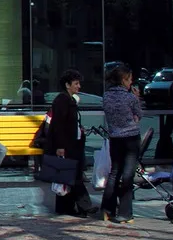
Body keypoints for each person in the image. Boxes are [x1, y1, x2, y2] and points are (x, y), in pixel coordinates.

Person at [100, 65, 143, 223]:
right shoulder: (130, 97)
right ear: (124, 80)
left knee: (114, 172)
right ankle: (125, 213)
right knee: (128, 175)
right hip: (131, 138)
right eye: (130, 79)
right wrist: (137, 98)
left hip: (115, 138)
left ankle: (107, 209)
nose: (131, 82)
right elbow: (139, 115)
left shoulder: (106, 96)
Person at [48, 69, 94, 216]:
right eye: (76, 83)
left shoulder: (69, 100)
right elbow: (58, 125)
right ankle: (83, 205)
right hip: (68, 145)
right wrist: (60, 146)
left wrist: (80, 130)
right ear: (67, 85)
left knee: (69, 177)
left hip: (73, 144)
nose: (79, 86)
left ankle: (67, 207)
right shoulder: (63, 100)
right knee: (74, 177)